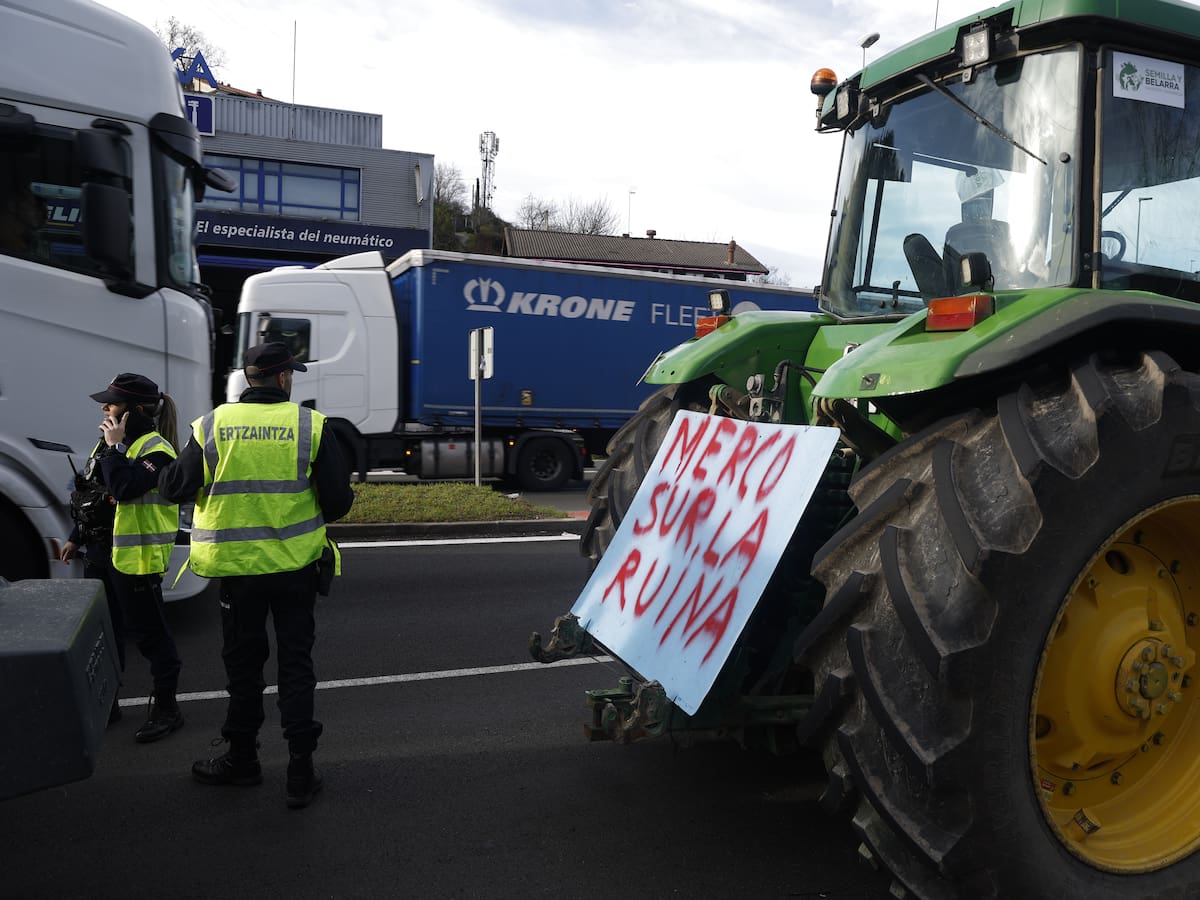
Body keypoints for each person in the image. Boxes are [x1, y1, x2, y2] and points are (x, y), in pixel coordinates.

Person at [158, 341, 353, 809]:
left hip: (238, 574)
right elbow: (338, 503)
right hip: (295, 570)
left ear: (250, 379)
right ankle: (300, 774)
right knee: (296, 667)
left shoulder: (212, 425)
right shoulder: (310, 426)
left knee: (243, 668)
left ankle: (242, 760)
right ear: (284, 378)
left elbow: (173, 488)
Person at [61, 373, 185, 743]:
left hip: (136, 558)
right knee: (107, 634)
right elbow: (95, 494)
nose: (104, 408)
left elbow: (125, 489)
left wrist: (115, 449)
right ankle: (108, 704)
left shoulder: (158, 451)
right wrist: (76, 536)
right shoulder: (109, 446)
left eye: (112, 403)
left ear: (135, 411)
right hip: (101, 553)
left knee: (151, 637)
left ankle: (167, 710)